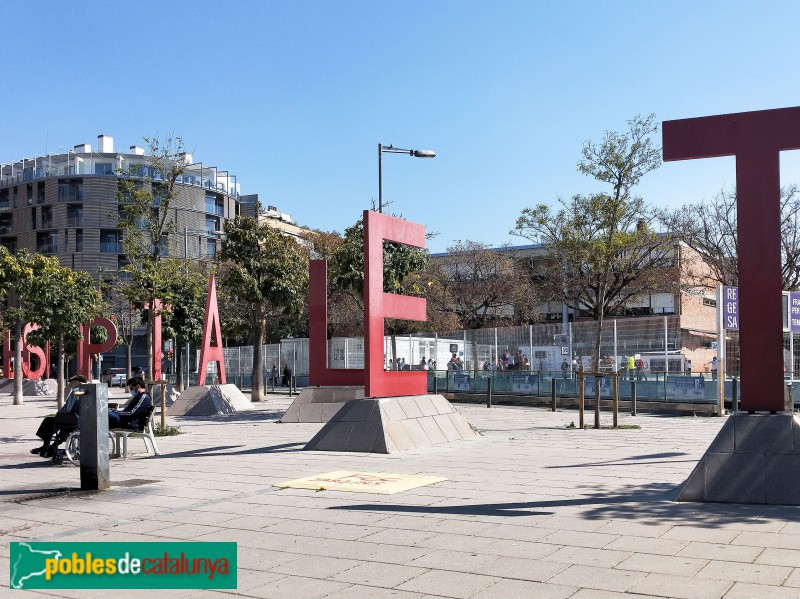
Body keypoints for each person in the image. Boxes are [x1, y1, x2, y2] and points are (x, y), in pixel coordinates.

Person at [31, 374, 88, 457]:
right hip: (81, 418)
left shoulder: (75, 392)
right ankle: (52, 447)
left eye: (72, 382)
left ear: (79, 382)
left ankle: (45, 446)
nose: (70, 384)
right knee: (64, 430)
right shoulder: (87, 390)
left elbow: (68, 409)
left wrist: (60, 411)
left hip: (72, 418)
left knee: (48, 421)